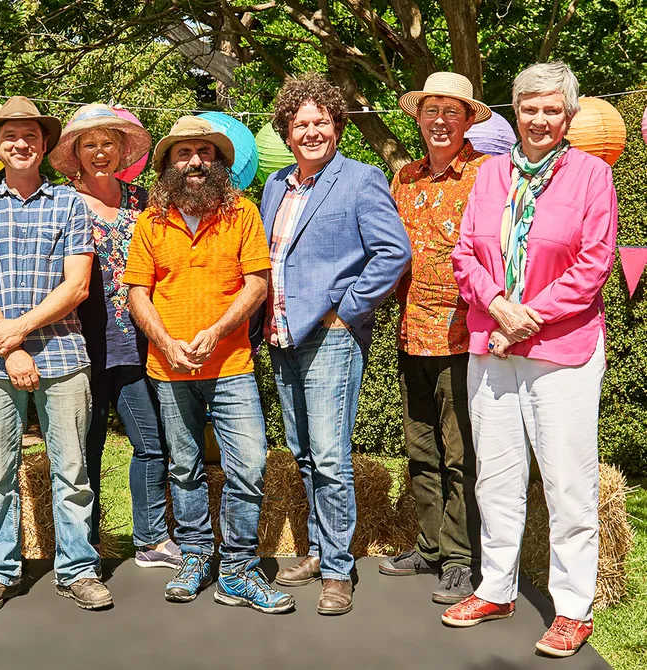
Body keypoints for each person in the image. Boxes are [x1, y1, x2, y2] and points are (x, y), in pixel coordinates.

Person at [444, 61, 616, 659]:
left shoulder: (592, 174)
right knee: (496, 475)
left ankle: (572, 608)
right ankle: (497, 588)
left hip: (560, 350)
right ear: (515, 112)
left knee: (568, 483)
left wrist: (526, 316)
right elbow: (466, 251)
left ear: (568, 115)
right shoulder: (490, 175)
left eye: (551, 109)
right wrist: (495, 304)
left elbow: (593, 264)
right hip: (491, 345)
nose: (539, 119)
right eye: (529, 108)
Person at [124, 115, 295, 614]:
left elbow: (257, 284)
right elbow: (138, 292)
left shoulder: (241, 212)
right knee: (184, 467)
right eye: (184, 153)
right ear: (168, 164)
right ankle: (197, 556)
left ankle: (237, 570)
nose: (195, 161)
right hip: (168, 366)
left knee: (249, 465)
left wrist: (216, 331)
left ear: (219, 162)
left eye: (204, 152)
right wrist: (166, 341)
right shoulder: (151, 221)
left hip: (232, 364)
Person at [261, 74, 411, 616]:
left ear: (338, 125)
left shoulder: (360, 179)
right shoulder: (277, 184)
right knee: (303, 452)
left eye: (321, 121)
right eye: (300, 123)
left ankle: (339, 571)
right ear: (286, 130)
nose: (311, 131)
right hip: (282, 336)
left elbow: (393, 252)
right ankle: (322, 551)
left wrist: (347, 312)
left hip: (330, 339)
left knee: (329, 456)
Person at [0, 96, 111, 613]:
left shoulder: (69, 204)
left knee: (72, 471)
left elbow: (78, 286)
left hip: (63, 355)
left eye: (30, 136)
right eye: (10, 138)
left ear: (44, 145)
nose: (20, 144)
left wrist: (16, 333)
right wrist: (10, 349)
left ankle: (77, 569)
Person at [49, 104, 180, 568]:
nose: (100, 152)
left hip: (137, 343)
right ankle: (85, 544)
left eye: (108, 143)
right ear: (76, 153)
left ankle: (149, 540)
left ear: (122, 149)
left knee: (151, 444)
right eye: (90, 145)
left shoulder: (144, 200)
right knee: (84, 450)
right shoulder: (59, 202)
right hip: (77, 343)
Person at [378, 73, 491, 604]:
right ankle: (429, 545)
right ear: (418, 118)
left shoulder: (489, 176)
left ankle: (461, 559)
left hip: (465, 334)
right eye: (432, 110)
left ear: (468, 119)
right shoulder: (404, 179)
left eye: (452, 110)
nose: (441, 120)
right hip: (411, 331)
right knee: (420, 449)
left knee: (459, 453)